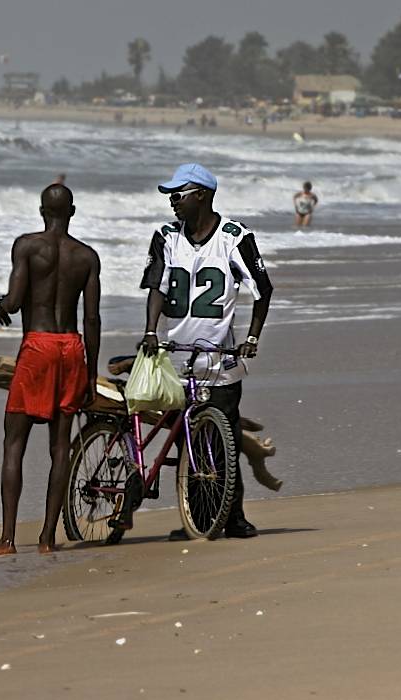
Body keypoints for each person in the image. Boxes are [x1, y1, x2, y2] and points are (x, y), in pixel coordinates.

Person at [139, 163, 273, 539]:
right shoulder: (166, 236)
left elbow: (262, 289)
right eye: (170, 196)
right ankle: (198, 516)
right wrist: (151, 330)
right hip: (177, 356)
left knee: (223, 437)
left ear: (202, 195)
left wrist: (252, 336)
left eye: (178, 196)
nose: (172, 203)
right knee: (188, 439)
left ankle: (233, 516)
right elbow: (156, 287)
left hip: (220, 360)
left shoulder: (234, 236)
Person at [0, 183, 102, 556]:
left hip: (38, 346)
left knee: (14, 443)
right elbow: (93, 318)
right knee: (60, 447)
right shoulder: (87, 256)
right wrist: (91, 376)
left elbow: (16, 302)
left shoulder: (27, 246)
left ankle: (8, 539)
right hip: (71, 348)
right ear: (73, 211)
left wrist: (2, 304)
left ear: (41, 211)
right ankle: (48, 538)